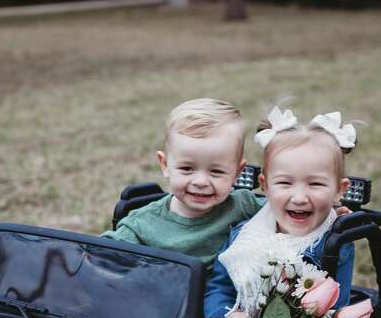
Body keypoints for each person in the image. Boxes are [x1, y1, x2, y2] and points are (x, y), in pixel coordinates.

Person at [204, 107, 358, 318]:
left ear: (339, 190)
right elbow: (219, 287)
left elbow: (332, 309)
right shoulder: (243, 235)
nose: (299, 197)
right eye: (285, 183)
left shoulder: (334, 243)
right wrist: (226, 316)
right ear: (265, 186)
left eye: (315, 184)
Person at [101, 98, 263, 267]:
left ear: (237, 172)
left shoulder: (244, 205)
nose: (200, 182)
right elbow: (97, 256)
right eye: (187, 168)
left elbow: (287, 213)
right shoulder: (141, 225)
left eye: (216, 171)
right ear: (165, 165)